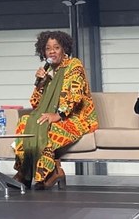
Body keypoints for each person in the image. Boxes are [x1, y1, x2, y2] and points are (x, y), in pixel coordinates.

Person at [13, 30, 98, 190]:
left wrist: (58, 115)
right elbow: (35, 103)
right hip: (55, 115)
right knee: (25, 122)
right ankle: (24, 171)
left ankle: (50, 172)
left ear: (64, 48)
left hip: (77, 119)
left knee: (48, 129)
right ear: (43, 52)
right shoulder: (48, 73)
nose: (52, 51)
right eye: (48, 48)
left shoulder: (74, 66)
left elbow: (75, 95)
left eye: (56, 47)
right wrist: (40, 83)